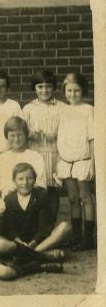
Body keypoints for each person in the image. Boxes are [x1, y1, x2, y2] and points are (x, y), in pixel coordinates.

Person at [57, 73, 95, 250]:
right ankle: (76, 236)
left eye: (77, 90)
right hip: (66, 159)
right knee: (72, 198)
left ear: (83, 91)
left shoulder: (88, 110)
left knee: (85, 197)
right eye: (69, 90)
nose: (73, 94)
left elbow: (92, 138)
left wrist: (93, 163)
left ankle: (88, 238)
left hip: (83, 159)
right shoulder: (62, 110)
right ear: (64, 91)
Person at [22, 69, 65, 225]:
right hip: (35, 153)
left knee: (52, 191)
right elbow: (21, 132)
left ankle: (51, 226)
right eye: (40, 86)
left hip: (55, 154)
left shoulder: (62, 107)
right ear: (35, 88)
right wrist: (30, 134)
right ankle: (37, 228)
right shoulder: (28, 108)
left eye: (48, 86)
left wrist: (58, 134)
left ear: (53, 87)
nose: (44, 90)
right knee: (36, 189)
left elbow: (69, 132)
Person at [3, 163, 72, 252]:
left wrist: (33, 243)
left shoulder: (42, 196)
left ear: (35, 180)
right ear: (14, 181)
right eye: (20, 179)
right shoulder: (9, 199)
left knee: (66, 227)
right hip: (17, 242)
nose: (25, 183)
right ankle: (39, 255)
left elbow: (45, 226)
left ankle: (34, 253)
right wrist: (19, 242)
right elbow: (9, 228)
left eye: (29, 178)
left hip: (39, 242)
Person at [0, 117, 46, 197]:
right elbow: (0, 186)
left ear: (25, 135)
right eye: (12, 135)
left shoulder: (35, 156)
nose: (16, 139)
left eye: (19, 135)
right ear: (6, 136)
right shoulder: (2, 158)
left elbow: (40, 184)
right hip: (8, 202)